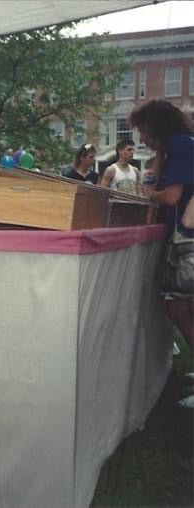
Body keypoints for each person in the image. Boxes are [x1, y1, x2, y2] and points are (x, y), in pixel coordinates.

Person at [129, 100, 193, 406]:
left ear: (157, 126)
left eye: (144, 130)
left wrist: (150, 194)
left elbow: (170, 196)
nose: (142, 138)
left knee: (179, 311)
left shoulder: (180, 145)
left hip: (187, 240)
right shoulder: (179, 146)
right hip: (185, 237)